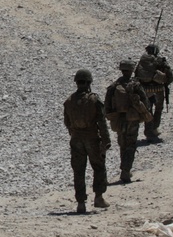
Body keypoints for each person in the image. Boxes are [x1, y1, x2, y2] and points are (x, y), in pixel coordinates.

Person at [63, 69, 112, 214]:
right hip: (92, 138)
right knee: (98, 166)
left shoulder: (69, 101)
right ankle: (98, 197)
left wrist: (74, 133)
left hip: (76, 139)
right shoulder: (94, 100)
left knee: (78, 171)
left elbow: (67, 122)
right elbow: (101, 123)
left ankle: (81, 203)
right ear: (89, 82)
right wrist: (106, 141)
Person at [104, 59, 152, 184]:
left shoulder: (114, 86)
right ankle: (126, 170)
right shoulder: (135, 85)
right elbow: (145, 101)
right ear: (131, 71)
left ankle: (124, 168)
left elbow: (107, 106)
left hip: (119, 120)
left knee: (123, 145)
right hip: (132, 120)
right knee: (130, 145)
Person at [135, 44, 173, 141]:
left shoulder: (142, 60)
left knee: (148, 110)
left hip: (144, 90)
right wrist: (165, 81)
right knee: (158, 110)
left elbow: (136, 74)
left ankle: (148, 130)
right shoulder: (160, 61)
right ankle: (154, 129)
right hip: (158, 90)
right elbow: (170, 76)